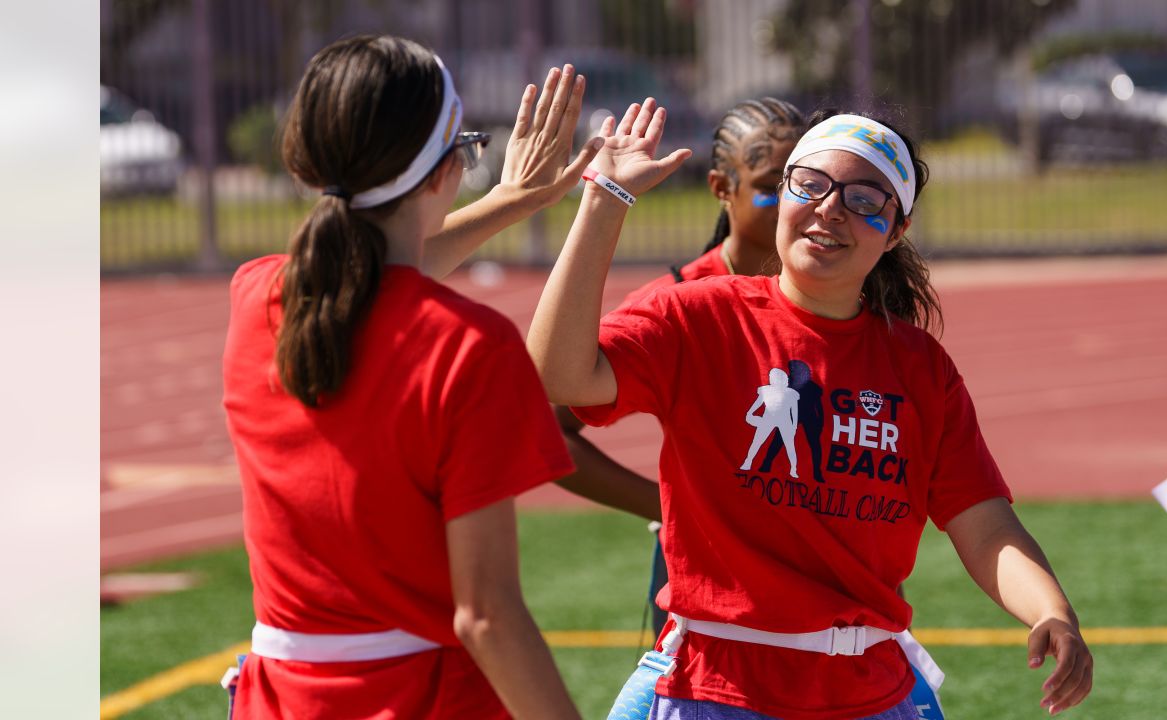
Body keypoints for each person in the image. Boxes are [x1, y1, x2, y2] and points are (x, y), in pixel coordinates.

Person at [528, 99, 1094, 718]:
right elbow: (556, 376)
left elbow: (983, 524)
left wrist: (1051, 610)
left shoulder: (921, 369)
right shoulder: (697, 316)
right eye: (811, 184)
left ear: (896, 229)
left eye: (864, 199)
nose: (829, 209)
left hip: (869, 691)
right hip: (711, 686)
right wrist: (604, 198)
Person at [222, 34, 604, 719]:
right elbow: (485, 617)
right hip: (422, 699)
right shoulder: (471, 345)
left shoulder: (257, 299)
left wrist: (514, 199)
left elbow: (368, 281)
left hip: (279, 699)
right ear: (441, 173)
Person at [551, 98, 808, 637]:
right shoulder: (680, 299)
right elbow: (544, 430)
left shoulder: (842, 296)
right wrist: (673, 506)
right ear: (721, 187)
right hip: (707, 593)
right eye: (769, 184)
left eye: (802, 179)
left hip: (823, 571)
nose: (790, 199)